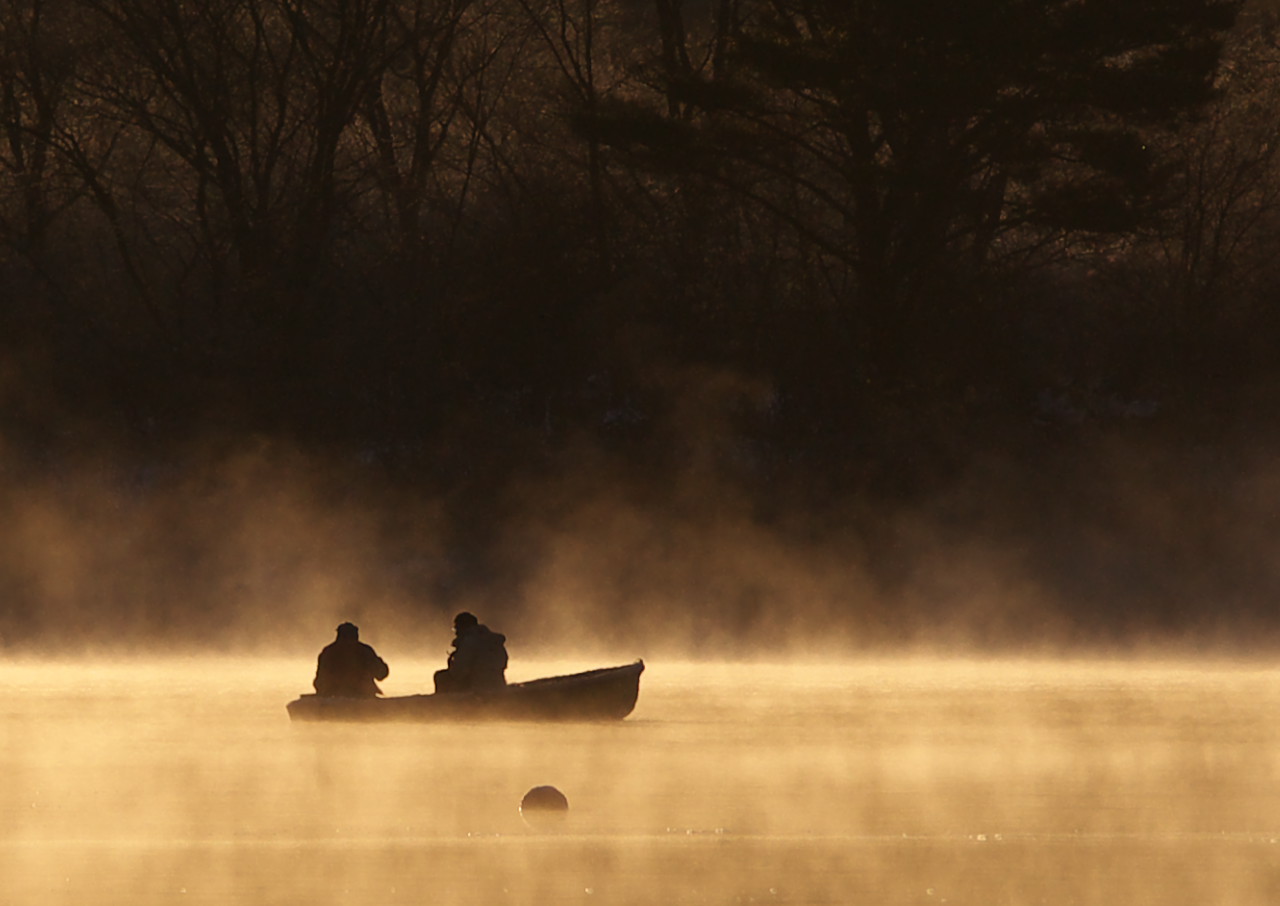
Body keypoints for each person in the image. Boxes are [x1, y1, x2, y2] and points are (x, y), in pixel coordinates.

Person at [433, 611, 508, 693]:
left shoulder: (469, 642)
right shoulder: (495, 641)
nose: (456, 633)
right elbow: (503, 664)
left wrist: (453, 661)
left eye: (456, 629)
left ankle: (443, 702)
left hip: (476, 687)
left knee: (440, 676)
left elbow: (458, 673)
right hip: (498, 684)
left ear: (462, 628)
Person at [313, 622, 390, 698]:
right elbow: (381, 674)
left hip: (333, 696)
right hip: (364, 695)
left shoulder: (328, 652)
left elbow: (319, 682)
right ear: (356, 635)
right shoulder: (365, 651)